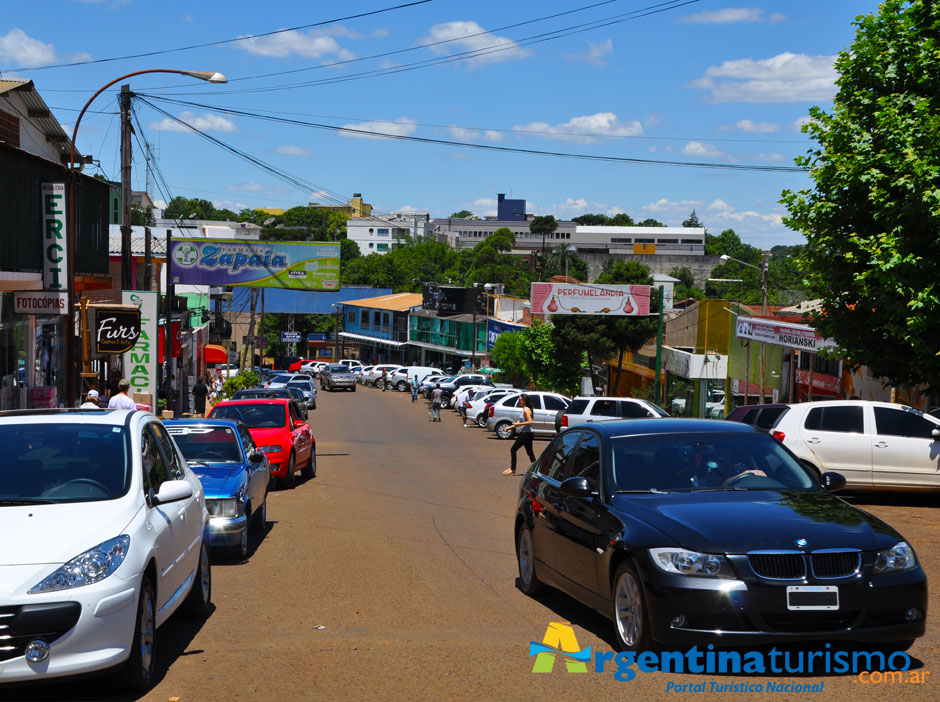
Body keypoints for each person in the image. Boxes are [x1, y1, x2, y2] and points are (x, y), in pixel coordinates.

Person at [503, 394, 536, 475]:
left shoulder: (526, 410)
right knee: (530, 452)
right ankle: (536, 469)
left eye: (520, 399)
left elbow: (530, 422)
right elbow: (519, 422)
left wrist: (518, 425)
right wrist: (509, 427)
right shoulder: (524, 409)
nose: (519, 401)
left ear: (524, 401)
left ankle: (512, 469)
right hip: (527, 433)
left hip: (526, 433)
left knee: (513, 449)